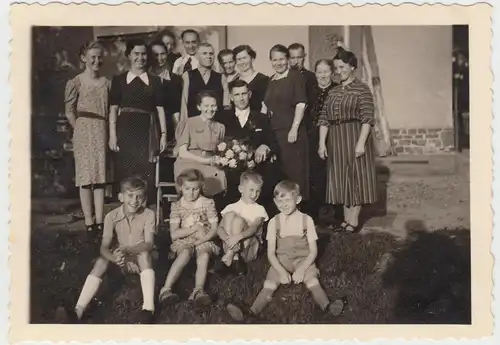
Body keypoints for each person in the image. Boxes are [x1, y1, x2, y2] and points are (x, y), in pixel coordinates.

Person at [226, 180, 347, 321]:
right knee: (270, 283)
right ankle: (252, 311)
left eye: (288, 200)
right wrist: (282, 271)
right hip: (282, 260)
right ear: (275, 202)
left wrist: (302, 269)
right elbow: (271, 253)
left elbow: (313, 251)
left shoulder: (306, 220)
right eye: (279, 201)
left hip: (303, 259)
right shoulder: (274, 222)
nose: (284, 205)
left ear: (298, 199)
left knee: (312, 281)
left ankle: (328, 306)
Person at [69, 177, 156, 324]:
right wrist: (114, 258)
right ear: (121, 197)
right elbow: (104, 247)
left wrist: (129, 250)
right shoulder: (111, 216)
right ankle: (79, 309)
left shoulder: (148, 214)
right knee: (101, 261)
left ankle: (148, 309)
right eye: (130, 196)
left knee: (144, 255)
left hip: (140, 258)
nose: (134, 200)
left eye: (139, 196)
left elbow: (149, 243)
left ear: (144, 198)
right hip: (121, 259)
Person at [317, 48, 378, 233]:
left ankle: (353, 220)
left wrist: (361, 143)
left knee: (355, 178)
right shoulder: (333, 92)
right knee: (341, 179)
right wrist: (321, 143)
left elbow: (367, 118)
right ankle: (345, 219)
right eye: (336, 67)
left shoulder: (362, 89)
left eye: (342, 67)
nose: (338, 71)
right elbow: (324, 119)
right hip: (336, 139)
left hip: (354, 136)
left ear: (352, 67)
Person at [108, 39, 167, 203]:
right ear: (128, 55)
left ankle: (146, 212)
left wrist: (163, 135)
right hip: (124, 130)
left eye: (143, 54)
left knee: (146, 170)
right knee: (125, 170)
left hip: (147, 132)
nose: (140, 58)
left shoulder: (155, 81)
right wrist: (112, 135)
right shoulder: (119, 80)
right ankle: (127, 212)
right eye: (136, 54)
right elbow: (113, 109)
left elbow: (160, 108)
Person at [64, 41, 111, 236]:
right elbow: (69, 110)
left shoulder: (107, 83)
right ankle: (88, 220)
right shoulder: (76, 82)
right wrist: (79, 129)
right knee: (85, 177)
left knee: (100, 177)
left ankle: (100, 221)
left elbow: (109, 110)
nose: (96, 60)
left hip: (101, 128)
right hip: (83, 129)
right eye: (92, 57)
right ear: (84, 58)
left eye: (99, 57)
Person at [215, 79, 281, 215]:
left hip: (257, 169)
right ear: (232, 98)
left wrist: (265, 146)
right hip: (232, 171)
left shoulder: (261, 118)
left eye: (244, 94)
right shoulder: (223, 118)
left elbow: (274, 142)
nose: (241, 98)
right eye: (237, 95)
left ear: (249, 94)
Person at [158, 169, 219, 308]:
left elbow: (214, 229)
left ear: (201, 187)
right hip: (184, 239)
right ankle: (166, 289)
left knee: (203, 255)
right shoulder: (177, 206)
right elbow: (174, 234)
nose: (191, 193)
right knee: (185, 253)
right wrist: (194, 229)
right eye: (187, 189)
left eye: (195, 189)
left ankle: (198, 290)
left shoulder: (207, 203)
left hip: (204, 238)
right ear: (180, 187)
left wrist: (200, 240)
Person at [263, 44, 310, 201]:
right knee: (279, 176)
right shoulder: (271, 80)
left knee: (295, 175)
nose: (278, 63)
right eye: (275, 60)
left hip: (291, 134)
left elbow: (301, 103)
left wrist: (294, 128)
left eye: (282, 59)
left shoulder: (295, 77)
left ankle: (300, 216)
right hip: (275, 134)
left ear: (288, 59)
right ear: (270, 61)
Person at [174, 90, 226, 199]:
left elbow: (220, 151)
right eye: (206, 106)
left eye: (213, 106)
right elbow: (182, 152)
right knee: (194, 181)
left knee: (220, 177)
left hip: (210, 164)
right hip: (189, 162)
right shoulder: (189, 123)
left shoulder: (220, 127)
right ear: (199, 107)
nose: (210, 109)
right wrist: (204, 160)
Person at [216, 172, 269, 275]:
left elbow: (253, 228)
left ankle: (229, 257)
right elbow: (219, 229)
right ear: (241, 189)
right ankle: (234, 259)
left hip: (248, 248)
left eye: (258, 191)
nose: (254, 194)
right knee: (230, 214)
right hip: (230, 244)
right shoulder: (231, 207)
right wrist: (228, 239)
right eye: (251, 190)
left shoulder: (259, 209)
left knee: (238, 221)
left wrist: (237, 237)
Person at [308, 59, 337, 223]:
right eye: (319, 72)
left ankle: (335, 214)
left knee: (332, 174)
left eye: (326, 71)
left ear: (332, 72)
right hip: (313, 137)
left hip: (334, 137)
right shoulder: (310, 91)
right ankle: (315, 214)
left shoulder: (337, 90)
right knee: (316, 175)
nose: (323, 75)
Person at [179, 42, 230, 122]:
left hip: (216, 125)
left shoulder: (221, 78)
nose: (208, 56)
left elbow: (226, 106)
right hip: (194, 125)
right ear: (197, 56)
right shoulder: (187, 76)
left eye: (211, 54)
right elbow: (184, 105)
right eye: (204, 53)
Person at [148, 40, 182, 139]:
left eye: (162, 54)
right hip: (150, 128)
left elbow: (176, 108)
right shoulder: (145, 78)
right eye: (155, 54)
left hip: (170, 128)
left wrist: (178, 132)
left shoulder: (175, 79)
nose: (159, 58)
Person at [233, 44, 269, 113]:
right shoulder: (234, 82)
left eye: (244, 58)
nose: (242, 62)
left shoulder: (263, 80)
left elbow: (267, 105)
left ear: (252, 58)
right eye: (239, 59)